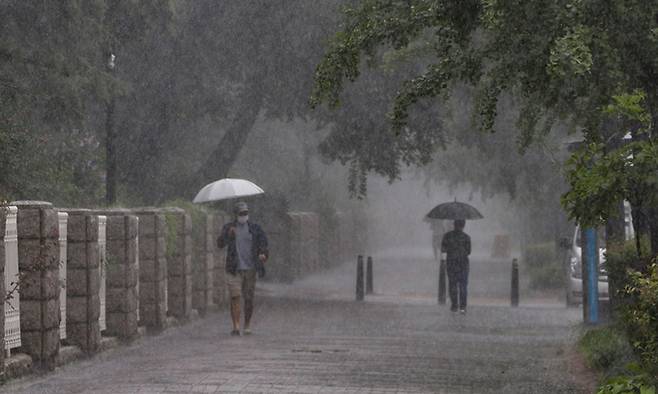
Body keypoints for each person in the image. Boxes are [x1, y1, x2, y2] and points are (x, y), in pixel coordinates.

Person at [217, 201, 268, 336]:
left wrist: (263, 254)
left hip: (250, 269)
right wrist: (228, 234)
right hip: (234, 268)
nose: (244, 216)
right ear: (236, 214)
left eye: (246, 213)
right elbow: (220, 244)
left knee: (248, 298)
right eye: (241, 213)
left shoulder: (255, 228)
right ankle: (236, 326)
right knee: (235, 296)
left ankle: (247, 325)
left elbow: (263, 243)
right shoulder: (229, 227)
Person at [441, 219, 471, 314]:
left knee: (452, 284)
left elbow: (443, 249)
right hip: (463, 264)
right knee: (463, 285)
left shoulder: (447, 236)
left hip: (451, 263)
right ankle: (463, 307)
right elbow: (469, 251)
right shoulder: (466, 237)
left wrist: (451, 249)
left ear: (454, 224)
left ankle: (454, 305)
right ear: (463, 225)